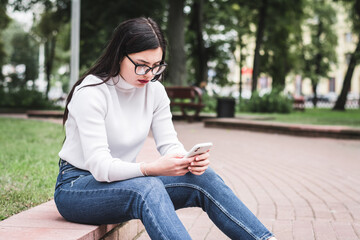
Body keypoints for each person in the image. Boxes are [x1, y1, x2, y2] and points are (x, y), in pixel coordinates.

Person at [54, 17, 276, 240]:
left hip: (121, 184)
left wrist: (187, 160)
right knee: (147, 187)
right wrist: (151, 168)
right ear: (120, 54)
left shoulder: (155, 92)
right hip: (77, 187)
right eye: (141, 65)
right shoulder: (92, 92)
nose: (149, 74)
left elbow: (169, 144)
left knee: (203, 177)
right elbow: (100, 167)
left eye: (156, 66)